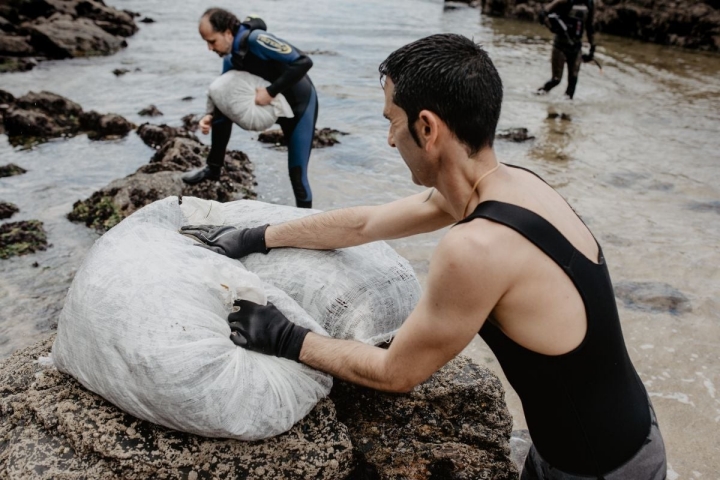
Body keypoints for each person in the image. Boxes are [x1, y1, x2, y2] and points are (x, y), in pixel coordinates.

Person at [180, 34, 666, 478]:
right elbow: (363, 224)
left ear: (427, 127)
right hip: (624, 432)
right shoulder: (515, 184)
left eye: (392, 121)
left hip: (600, 468)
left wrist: (283, 334)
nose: (391, 139)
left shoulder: (475, 246)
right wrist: (256, 236)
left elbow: (398, 373)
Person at [183, 8, 318, 209]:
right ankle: (213, 167)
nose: (210, 48)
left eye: (212, 41)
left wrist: (271, 91)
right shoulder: (231, 58)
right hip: (270, 106)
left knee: (297, 174)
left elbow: (303, 62)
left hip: (300, 106)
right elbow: (224, 95)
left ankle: (307, 229)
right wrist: (210, 115)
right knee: (222, 107)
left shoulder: (256, 39)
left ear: (228, 33)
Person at [536, 0, 596, 99]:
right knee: (556, 80)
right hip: (560, 45)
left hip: (576, 47)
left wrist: (592, 49)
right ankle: (539, 94)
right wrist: (551, 26)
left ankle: (566, 113)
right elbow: (543, 13)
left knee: (572, 82)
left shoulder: (589, 3)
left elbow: (590, 26)